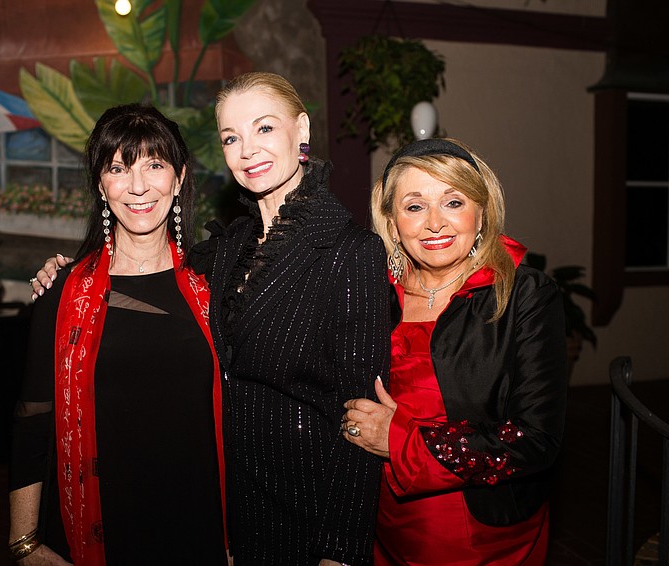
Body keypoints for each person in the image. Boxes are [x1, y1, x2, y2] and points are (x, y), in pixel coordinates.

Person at [30, 72, 391, 565]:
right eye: (230, 137)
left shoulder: (351, 251)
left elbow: (362, 421)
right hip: (232, 516)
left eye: (264, 129)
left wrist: (340, 553)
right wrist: (62, 272)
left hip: (309, 516)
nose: (248, 150)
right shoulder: (228, 251)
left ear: (301, 130)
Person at [8, 103, 227, 565]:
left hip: (200, 520)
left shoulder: (217, 283)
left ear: (180, 177)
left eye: (155, 164)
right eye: (118, 168)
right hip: (103, 525)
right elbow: (33, 420)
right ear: (101, 185)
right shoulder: (63, 294)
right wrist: (24, 541)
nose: (139, 185)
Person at [340, 137, 569, 565]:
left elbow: (536, 439)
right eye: (413, 206)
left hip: (482, 536)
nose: (434, 223)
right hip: (380, 518)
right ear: (391, 224)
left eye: (453, 201)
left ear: (481, 212)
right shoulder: (371, 295)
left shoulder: (524, 294)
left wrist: (401, 442)